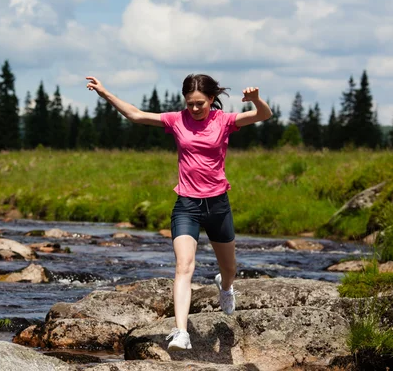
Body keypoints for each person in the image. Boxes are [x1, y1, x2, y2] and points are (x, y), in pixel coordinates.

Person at [85, 74, 272, 351]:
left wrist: (255, 99)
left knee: (229, 269)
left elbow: (264, 115)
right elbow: (136, 115)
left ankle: (225, 287)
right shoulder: (176, 120)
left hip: (218, 204)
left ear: (211, 99)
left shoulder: (224, 120)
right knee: (184, 266)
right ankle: (181, 331)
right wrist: (105, 93)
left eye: (200, 104)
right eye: (190, 104)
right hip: (186, 204)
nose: (194, 109)